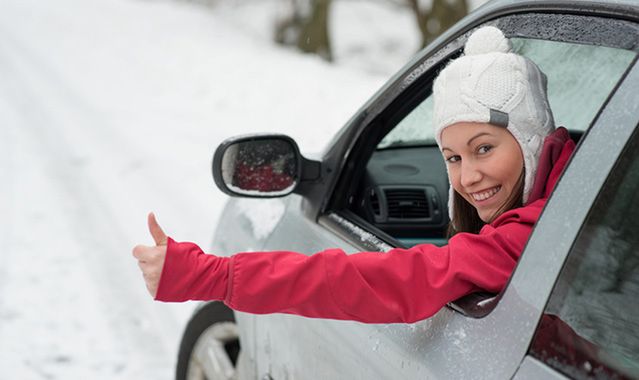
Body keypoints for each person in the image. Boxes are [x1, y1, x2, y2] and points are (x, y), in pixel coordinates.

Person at [132, 26, 575, 323]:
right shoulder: (585, 187)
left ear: (531, 138)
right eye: (453, 158)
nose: (469, 177)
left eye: (484, 148)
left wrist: (214, 276)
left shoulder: (526, 238)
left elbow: (372, 281)